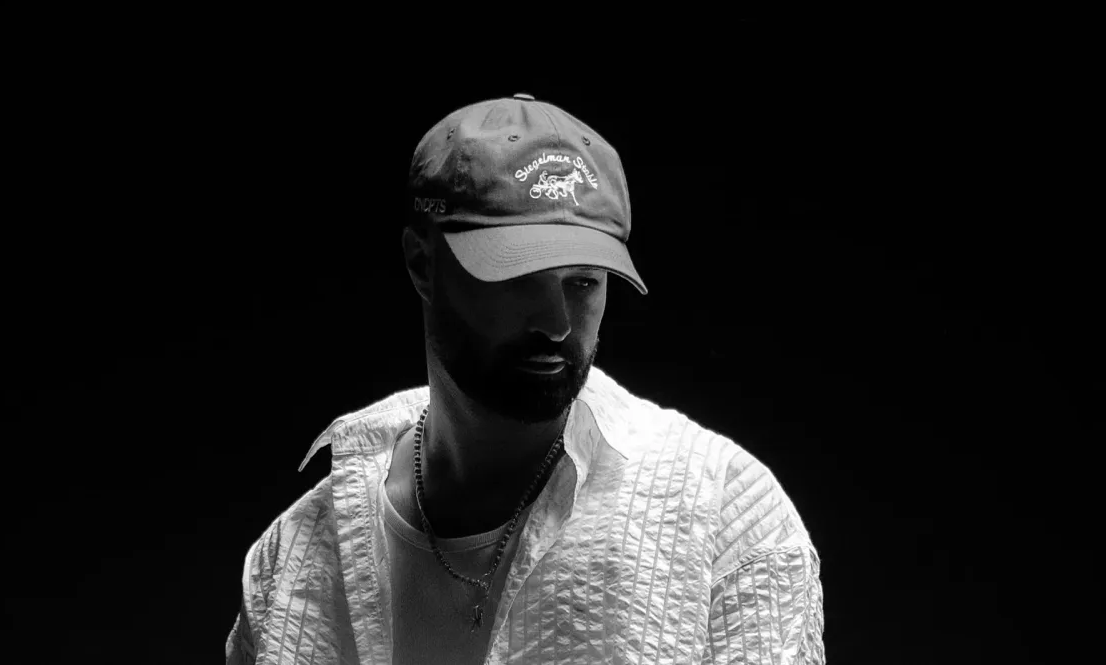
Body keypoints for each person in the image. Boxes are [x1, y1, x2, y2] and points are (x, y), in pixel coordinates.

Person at [225, 93, 824, 664]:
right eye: (517, 279)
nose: (557, 324)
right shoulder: (291, 562)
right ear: (421, 263)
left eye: (583, 282)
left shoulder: (724, 518)